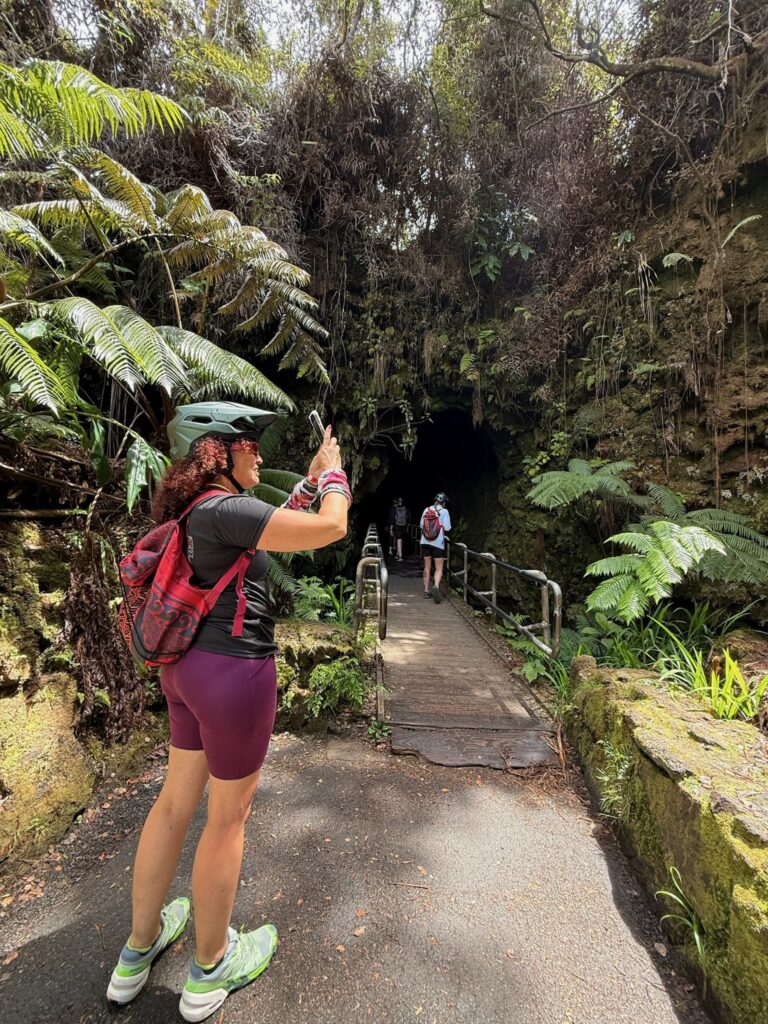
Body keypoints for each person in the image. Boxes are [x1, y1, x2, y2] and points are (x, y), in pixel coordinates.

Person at [107, 402, 351, 1022]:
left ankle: (137, 953)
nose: (259, 455)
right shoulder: (227, 509)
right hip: (234, 679)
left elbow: (274, 526)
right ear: (220, 449)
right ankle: (210, 971)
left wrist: (308, 478)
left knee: (172, 805)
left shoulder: (201, 512)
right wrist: (334, 476)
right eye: (251, 445)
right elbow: (330, 528)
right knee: (226, 822)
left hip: (184, 675)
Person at [419, 492, 451, 603]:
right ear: (444, 502)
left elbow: (421, 525)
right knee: (438, 568)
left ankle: (426, 591)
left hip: (425, 542)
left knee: (427, 566)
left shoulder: (426, 509)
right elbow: (447, 528)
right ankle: (436, 586)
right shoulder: (445, 511)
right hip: (438, 543)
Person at [387, 496, 410, 561]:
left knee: (398, 539)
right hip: (404, 525)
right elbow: (409, 518)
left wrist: (391, 529)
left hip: (397, 525)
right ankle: (397, 553)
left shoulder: (394, 509)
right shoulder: (406, 508)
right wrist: (407, 527)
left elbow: (391, 519)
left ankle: (400, 556)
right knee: (401, 539)